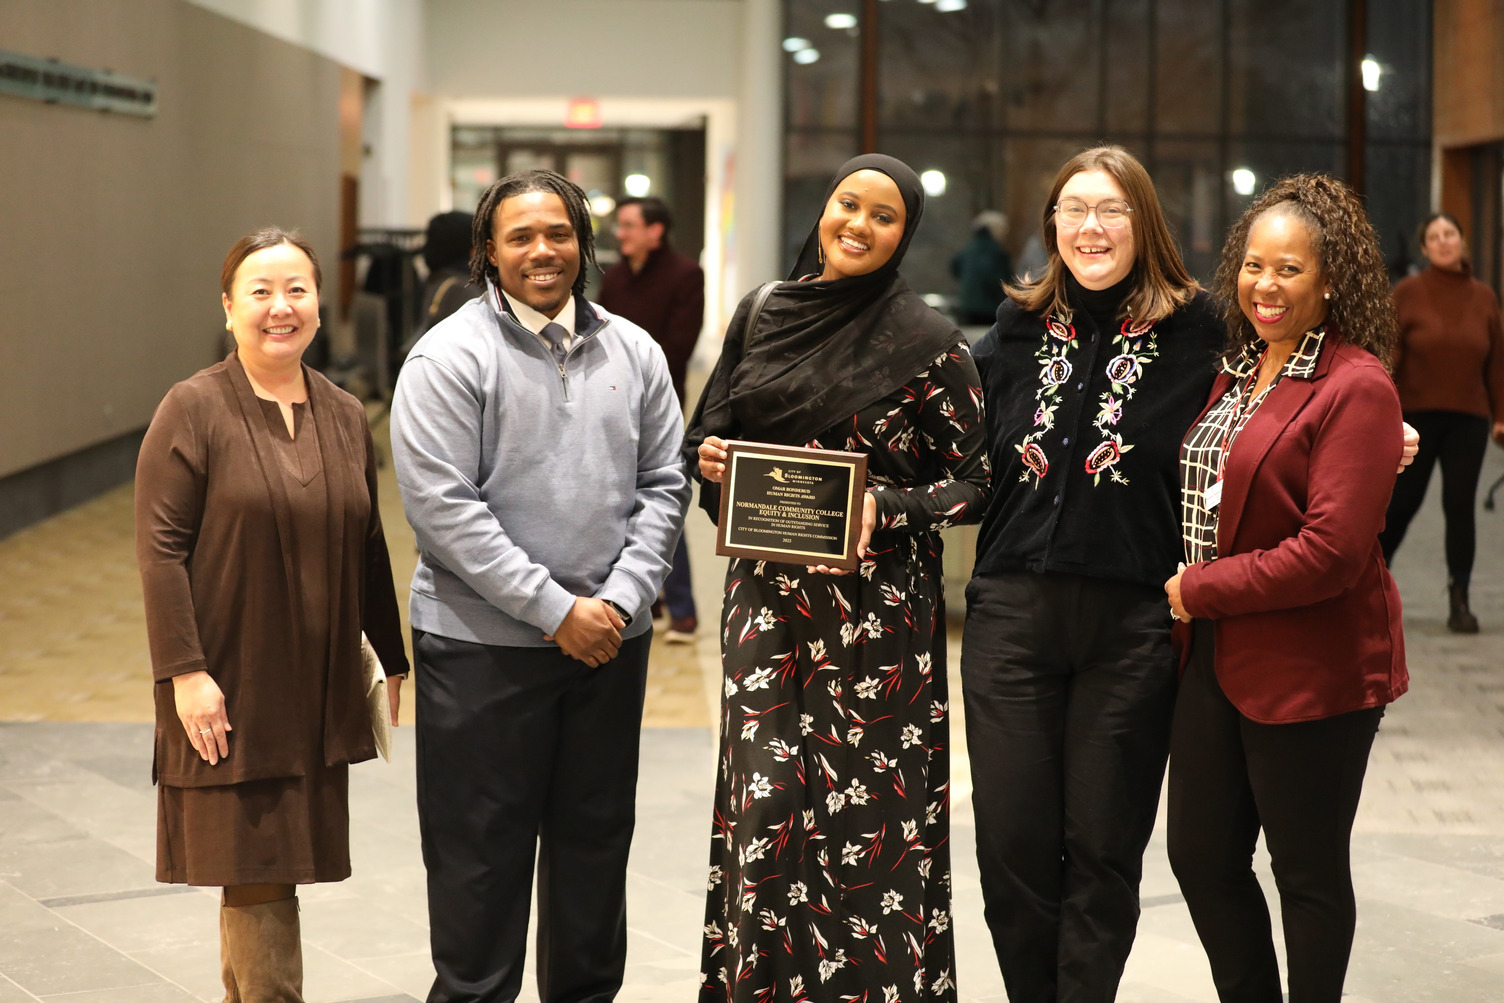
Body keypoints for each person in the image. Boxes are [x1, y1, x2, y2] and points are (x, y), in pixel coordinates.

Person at [689, 154, 989, 1002]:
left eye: (883, 215)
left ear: (905, 235)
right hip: (768, 602)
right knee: (770, 802)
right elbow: (706, 440)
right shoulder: (761, 313)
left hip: (878, 618)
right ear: (822, 211)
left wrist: (884, 507)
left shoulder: (928, 341)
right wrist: (711, 461)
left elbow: (977, 481)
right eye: (846, 204)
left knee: (867, 823)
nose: (858, 223)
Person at [390, 169, 688, 1003]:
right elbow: (445, 512)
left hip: (607, 648)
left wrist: (620, 602)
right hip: (481, 650)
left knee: (595, 854)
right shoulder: (447, 357)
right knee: (479, 864)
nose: (542, 250)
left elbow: (665, 485)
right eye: (519, 236)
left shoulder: (636, 351)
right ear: (489, 251)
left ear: (583, 243)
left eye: (557, 232)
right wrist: (557, 610)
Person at [962, 145, 1225, 1002]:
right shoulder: (1011, 330)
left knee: (1105, 848)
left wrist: (1383, 428)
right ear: (1052, 226)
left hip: (1133, 623)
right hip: (1010, 616)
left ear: (1145, 221)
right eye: (1073, 209)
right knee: (1011, 845)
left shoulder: (1203, 331)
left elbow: (1301, 381)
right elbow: (945, 445)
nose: (1091, 226)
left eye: (1111, 209)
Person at [135, 226, 409, 999]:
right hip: (231, 674)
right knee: (254, 868)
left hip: (313, 682)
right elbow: (159, 553)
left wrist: (389, 655)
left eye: (297, 289)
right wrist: (186, 673)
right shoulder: (190, 408)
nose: (280, 307)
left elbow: (367, 540)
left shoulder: (346, 412)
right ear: (228, 308)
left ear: (321, 305)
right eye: (260, 291)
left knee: (271, 870)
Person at [1165, 173, 1408, 1002]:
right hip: (1214, 658)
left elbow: (1332, 550)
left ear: (1331, 277)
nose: (1266, 286)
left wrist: (1202, 588)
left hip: (1313, 668)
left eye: (1291, 269)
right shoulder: (1238, 368)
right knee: (1199, 857)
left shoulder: (1357, 384)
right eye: (1254, 266)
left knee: (1305, 873)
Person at [1379, 211, 1504, 632]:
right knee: (1400, 505)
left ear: (1461, 241)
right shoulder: (1409, 292)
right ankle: (1368, 589)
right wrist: (1381, 411)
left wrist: (1501, 417)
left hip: (1468, 417)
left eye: (1451, 233)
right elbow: (1390, 357)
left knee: (1459, 506)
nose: (1444, 241)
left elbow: (1497, 363)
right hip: (1416, 417)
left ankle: (1460, 600)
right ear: (1425, 247)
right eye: (1435, 236)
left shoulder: (1485, 297)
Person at [599, 195, 706, 641]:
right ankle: (653, 603)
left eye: (628, 225)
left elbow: (677, 348)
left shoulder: (685, 275)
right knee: (620, 499)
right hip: (606, 404)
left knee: (659, 498)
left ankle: (682, 609)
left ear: (655, 231)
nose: (620, 234)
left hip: (658, 407)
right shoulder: (617, 276)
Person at [951, 209, 1013, 324]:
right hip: (988, 308)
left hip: (967, 305)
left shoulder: (969, 247)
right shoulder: (994, 251)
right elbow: (997, 280)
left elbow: (955, 267)